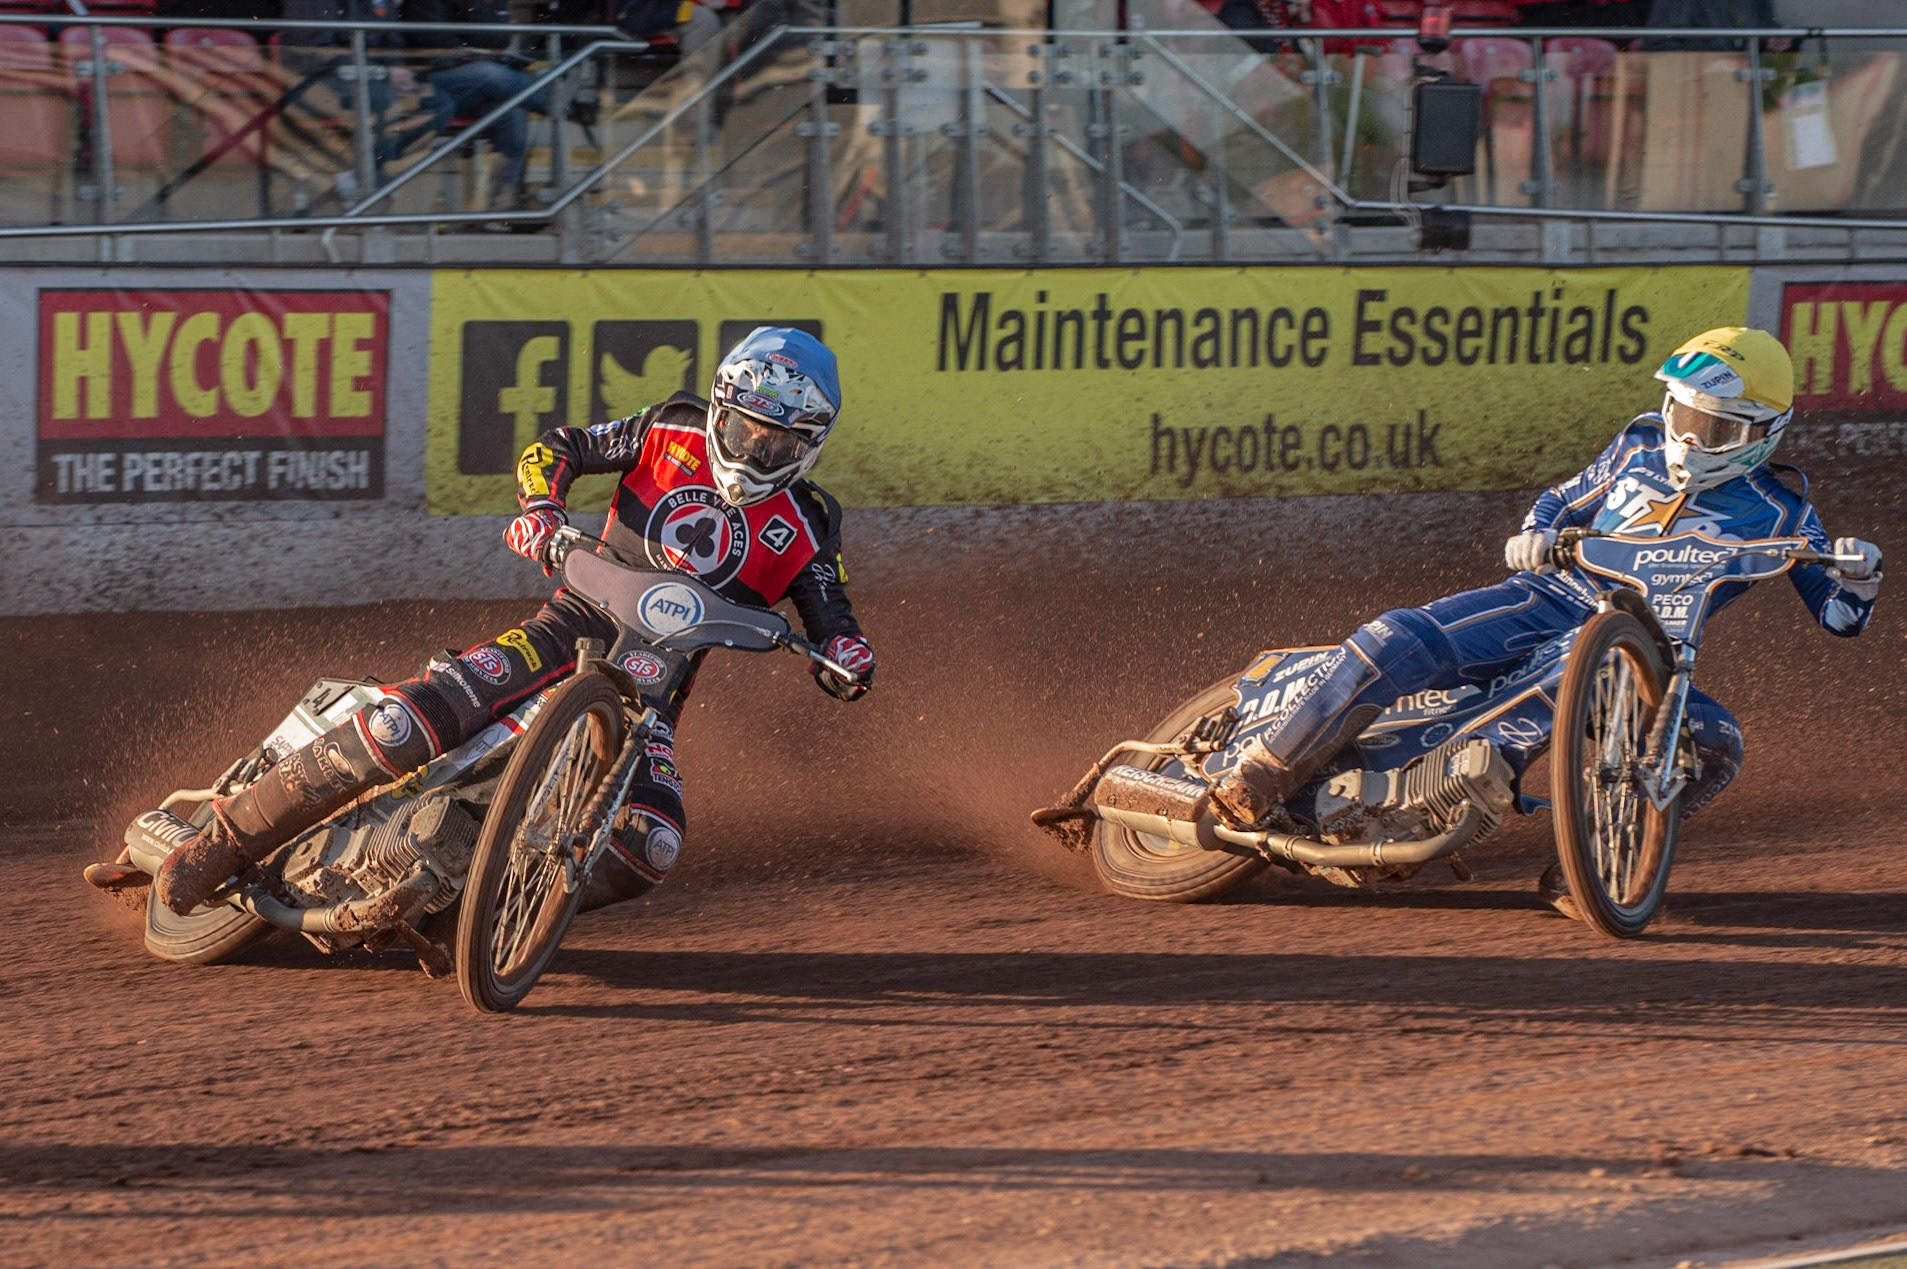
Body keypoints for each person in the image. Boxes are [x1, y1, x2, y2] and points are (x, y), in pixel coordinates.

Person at [138, 328, 875, 917]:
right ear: (719, 410)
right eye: (746, 431)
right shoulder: (666, 427)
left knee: (651, 843)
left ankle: (490, 905)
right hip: (567, 623)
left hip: (654, 695)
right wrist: (542, 514)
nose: (754, 452)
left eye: (777, 444)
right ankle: (225, 841)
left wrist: (845, 655)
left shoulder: (810, 523)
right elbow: (555, 448)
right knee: (407, 722)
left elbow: (832, 614)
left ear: (810, 445)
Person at [1207, 326, 1884, 837]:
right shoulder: (1637, 445)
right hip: (1545, 596)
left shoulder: (1783, 512)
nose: (1690, 438)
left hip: (1643, 654)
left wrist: (1859, 577)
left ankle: (1598, 852)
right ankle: (1263, 771)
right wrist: (1533, 535)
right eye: (1683, 416)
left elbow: (1839, 618)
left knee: (1716, 744)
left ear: (1765, 432)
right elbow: (1560, 504)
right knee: (1398, 635)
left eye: (1716, 428)